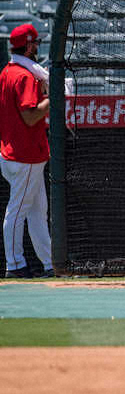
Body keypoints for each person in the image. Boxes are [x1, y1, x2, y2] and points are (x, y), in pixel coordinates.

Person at [1, 23, 53, 278]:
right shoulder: (24, 75)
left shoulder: (8, 72)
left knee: (36, 213)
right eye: (34, 43)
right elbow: (30, 117)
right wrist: (53, 98)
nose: (37, 47)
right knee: (19, 211)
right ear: (27, 45)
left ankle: (49, 263)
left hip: (18, 153)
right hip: (25, 155)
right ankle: (14, 265)